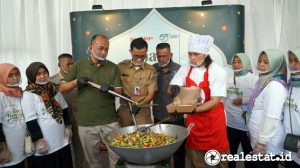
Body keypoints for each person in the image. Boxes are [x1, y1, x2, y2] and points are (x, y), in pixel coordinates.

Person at [59, 34, 122, 168]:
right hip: (86, 122)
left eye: (107, 49)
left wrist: (111, 88)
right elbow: (62, 88)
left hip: (110, 120)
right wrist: (76, 82)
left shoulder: (113, 67)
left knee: (117, 158)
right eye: (100, 48)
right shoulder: (78, 65)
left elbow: (119, 91)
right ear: (90, 47)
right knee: (93, 161)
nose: (104, 52)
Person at [170, 34, 229, 168]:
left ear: (205, 53)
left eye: (196, 54)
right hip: (195, 124)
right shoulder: (185, 68)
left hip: (214, 123)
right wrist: (174, 90)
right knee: (196, 162)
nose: (192, 58)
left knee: (219, 162)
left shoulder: (217, 71)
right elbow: (172, 87)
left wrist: (193, 109)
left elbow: (214, 100)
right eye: (190, 54)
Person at [25, 62, 73, 168]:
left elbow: (64, 109)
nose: (42, 76)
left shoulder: (54, 89)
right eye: (38, 74)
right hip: (45, 142)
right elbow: (30, 121)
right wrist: (39, 140)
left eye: (44, 72)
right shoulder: (28, 95)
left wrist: (67, 126)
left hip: (61, 138)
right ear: (31, 76)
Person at [0, 63, 47, 168]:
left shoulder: (19, 93)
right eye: (10, 75)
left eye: (17, 74)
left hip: (25, 146)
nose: (15, 78)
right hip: (8, 151)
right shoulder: (1, 96)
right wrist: (2, 149)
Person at [247, 49, 287, 167]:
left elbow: (272, 116)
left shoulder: (274, 86)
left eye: (266, 62)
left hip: (266, 145)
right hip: (259, 139)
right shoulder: (264, 80)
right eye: (260, 61)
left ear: (276, 64)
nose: (262, 65)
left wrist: (261, 143)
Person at [50, 53, 87, 168]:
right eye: (68, 64)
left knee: (81, 151)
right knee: (64, 151)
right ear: (59, 65)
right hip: (61, 121)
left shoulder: (80, 79)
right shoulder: (52, 81)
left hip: (78, 119)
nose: (71, 67)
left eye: (73, 64)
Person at [152, 43, 185, 168]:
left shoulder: (180, 69)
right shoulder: (152, 69)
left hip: (176, 117)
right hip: (158, 117)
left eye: (164, 56)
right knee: (159, 153)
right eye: (158, 56)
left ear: (171, 55)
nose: (161, 59)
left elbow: (186, 92)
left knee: (179, 154)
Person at [223, 53, 258, 168]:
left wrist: (244, 100)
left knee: (249, 156)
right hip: (230, 124)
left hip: (247, 126)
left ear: (246, 63)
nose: (236, 64)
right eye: (234, 62)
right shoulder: (227, 80)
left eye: (239, 61)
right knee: (231, 155)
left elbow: (259, 99)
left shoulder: (254, 79)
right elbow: (221, 98)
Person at [117, 37, 157, 127]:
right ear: (130, 51)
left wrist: (139, 105)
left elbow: (151, 94)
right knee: (124, 138)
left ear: (146, 52)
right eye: (136, 56)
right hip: (125, 111)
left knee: (145, 138)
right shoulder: (121, 67)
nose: (139, 59)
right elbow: (116, 87)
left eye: (142, 56)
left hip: (143, 111)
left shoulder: (151, 70)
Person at [283, 47, 300, 167]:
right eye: (290, 60)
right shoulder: (289, 85)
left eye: (297, 60)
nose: (293, 64)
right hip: (289, 146)